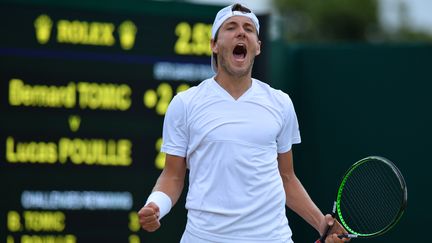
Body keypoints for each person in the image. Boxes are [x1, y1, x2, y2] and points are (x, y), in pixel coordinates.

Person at [138, 3, 349, 243]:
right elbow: (173, 176)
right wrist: (155, 205)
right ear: (214, 45)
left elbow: (286, 177)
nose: (241, 32)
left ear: (257, 47)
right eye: (231, 27)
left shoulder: (280, 103)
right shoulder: (185, 104)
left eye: (249, 29)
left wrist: (322, 224)